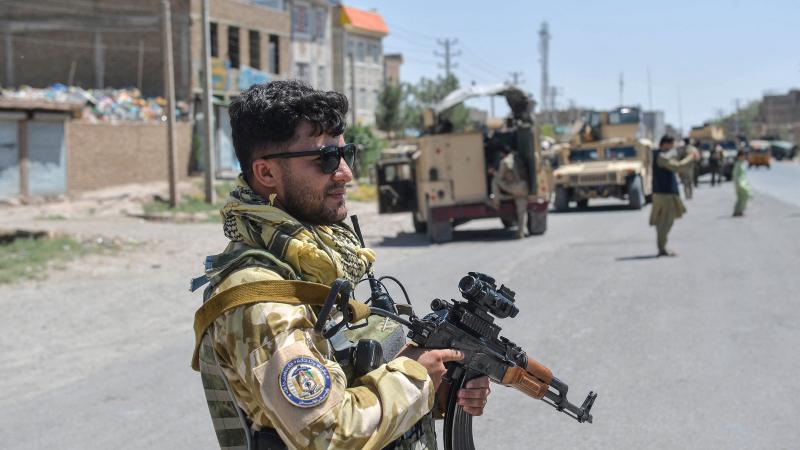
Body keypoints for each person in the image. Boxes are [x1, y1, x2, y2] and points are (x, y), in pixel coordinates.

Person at [191, 81, 490, 450]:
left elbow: (345, 377)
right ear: (266, 173)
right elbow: (330, 433)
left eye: (346, 153)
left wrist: (438, 389)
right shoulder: (262, 298)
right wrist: (415, 378)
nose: (346, 173)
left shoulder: (307, 263)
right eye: (326, 159)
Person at [649, 135, 698, 257]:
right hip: (665, 194)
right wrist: (691, 157)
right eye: (671, 144)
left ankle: (662, 246)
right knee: (666, 221)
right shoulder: (661, 156)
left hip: (662, 193)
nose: (672, 147)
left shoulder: (661, 155)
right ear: (666, 144)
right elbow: (678, 167)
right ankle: (662, 248)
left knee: (663, 221)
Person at [489, 145, 530, 239]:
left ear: (502, 153)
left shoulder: (504, 162)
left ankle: (496, 203)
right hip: (523, 186)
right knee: (522, 211)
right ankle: (521, 231)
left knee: (495, 181)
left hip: (513, 187)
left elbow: (500, 177)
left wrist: (493, 172)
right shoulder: (518, 157)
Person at [732, 150, 752, 217]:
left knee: (742, 197)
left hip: (742, 183)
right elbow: (735, 174)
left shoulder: (742, 163)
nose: (744, 157)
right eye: (742, 156)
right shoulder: (738, 164)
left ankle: (739, 211)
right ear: (739, 156)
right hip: (740, 184)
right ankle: (738, 211)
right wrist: (738, 184)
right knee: (742, 197)